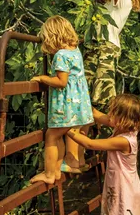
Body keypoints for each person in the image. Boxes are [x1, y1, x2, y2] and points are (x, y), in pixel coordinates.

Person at [29, 16, 94, 185]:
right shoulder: (75, 51)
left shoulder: (60, 55)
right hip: (79, 105)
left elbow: (61, 81)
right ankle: (64, 166)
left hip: (66, 107)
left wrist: (43, 78)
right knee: (62, 134)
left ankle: (50, 173)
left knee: (51, 135)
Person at [87, 0, 140, 111]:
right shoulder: (106, 5)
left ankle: (104, 136)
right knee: (85, 99)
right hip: (94, 49)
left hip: (107, 50)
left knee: (103, 100)